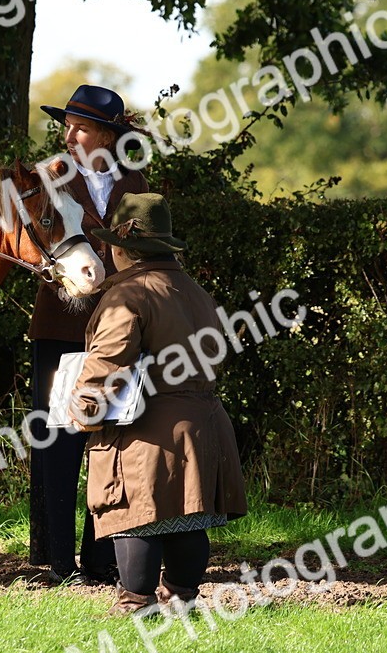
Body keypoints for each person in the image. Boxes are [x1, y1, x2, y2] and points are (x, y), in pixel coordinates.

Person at [68, 192, 247, 615]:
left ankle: (136, 602)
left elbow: (108, 362)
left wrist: (83, 408)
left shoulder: (128, 295)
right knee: (188, 516)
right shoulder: (197, 291)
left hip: (147, 429)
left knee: (137, 516)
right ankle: (182, 596)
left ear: (122, 248)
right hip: (202, 424)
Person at [27, 84, 150, 583]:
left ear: (107, 135)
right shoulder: (49, 178)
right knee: (57, 440)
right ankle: (55, 561)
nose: (69, 135)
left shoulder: (137, 182)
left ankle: (102, 561)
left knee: (112, 438)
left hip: (116, 331)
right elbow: (30, 240)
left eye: (81, 128)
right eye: (67, 126)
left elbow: (148, 252)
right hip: (58, 326)